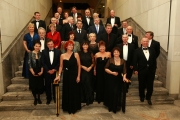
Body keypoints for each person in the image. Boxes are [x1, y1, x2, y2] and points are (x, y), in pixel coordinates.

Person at [54, 41, 81, 114]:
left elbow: (79, 66)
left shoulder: (76, 54)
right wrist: (59, 76)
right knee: (67, 90)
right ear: (66, 46)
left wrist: (78, 76)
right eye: (69, 45)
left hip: (74, 74)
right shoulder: (62, 55)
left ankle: (74, 107)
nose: (71, 46)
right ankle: (67, 107)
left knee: (74, 91)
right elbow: (61, 66)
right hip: (66, 75)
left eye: (72, 45)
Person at [104, 47, 129, 113]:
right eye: (115, 52)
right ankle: (110, 106)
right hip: (110, 79)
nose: (116, 53)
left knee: (117, 92)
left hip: (118, 80)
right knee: (111, 92)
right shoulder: (110, 60)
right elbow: (106, 68)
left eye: (117, 52)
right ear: (113, 53)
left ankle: (115, 107)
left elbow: (124, 71)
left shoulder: (123, 61)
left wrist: (124, 77)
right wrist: (112, 73)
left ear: (119, 53)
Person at [133, 38, 156, 105]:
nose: (145, 42)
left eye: (146, 41)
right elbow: (135, 61)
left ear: (148, 42)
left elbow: (154, 61)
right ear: (141, 42)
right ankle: (142, 96)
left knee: (150, 85)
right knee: (141, 84)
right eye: (144, 41)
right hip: (141, 70)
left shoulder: (152, 50)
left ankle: (148, 97)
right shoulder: (137, 50)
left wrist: (154, 69)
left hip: (151, 71)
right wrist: (135, 69)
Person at [41, 39, 61, 104]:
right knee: (47, 85)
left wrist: (55, 69)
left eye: (51, 44)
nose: (50, 45)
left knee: (55, 85)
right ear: (47, 45)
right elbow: (43, 62)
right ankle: (48, 98)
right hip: (47, 72)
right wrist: (47, 70)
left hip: (55, 72)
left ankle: (55, 98)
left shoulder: (58, 51)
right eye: (49, 44)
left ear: (53, 44)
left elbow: (60, 62)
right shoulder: (43, 51)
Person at [28, 41, 44, 105]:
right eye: (36, 46)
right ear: (34, 46)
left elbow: (42, 64)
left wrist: (42, 71)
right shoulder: (30, 53)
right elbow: (29, 63)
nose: (38, 47)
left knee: (39, 86)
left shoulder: (41, 53)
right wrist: (32, 72)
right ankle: (35, 98)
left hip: (39, 71)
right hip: (33, 71)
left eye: (39, 46)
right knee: (33, 86)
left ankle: (39, 98)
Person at [79, 41, 94, 105]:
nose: (85, 46)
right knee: (83, 84)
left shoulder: (91, 53)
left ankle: (89, 99)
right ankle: (83, 99)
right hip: (82, 70)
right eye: (84, 45)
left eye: (86, 45)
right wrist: (83, 67)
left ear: (88, 46)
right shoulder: (79, 53)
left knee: (89, 84)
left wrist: (90, 67)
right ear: (82, 46)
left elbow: (93, 62)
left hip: (89, 70)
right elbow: (78, 63)